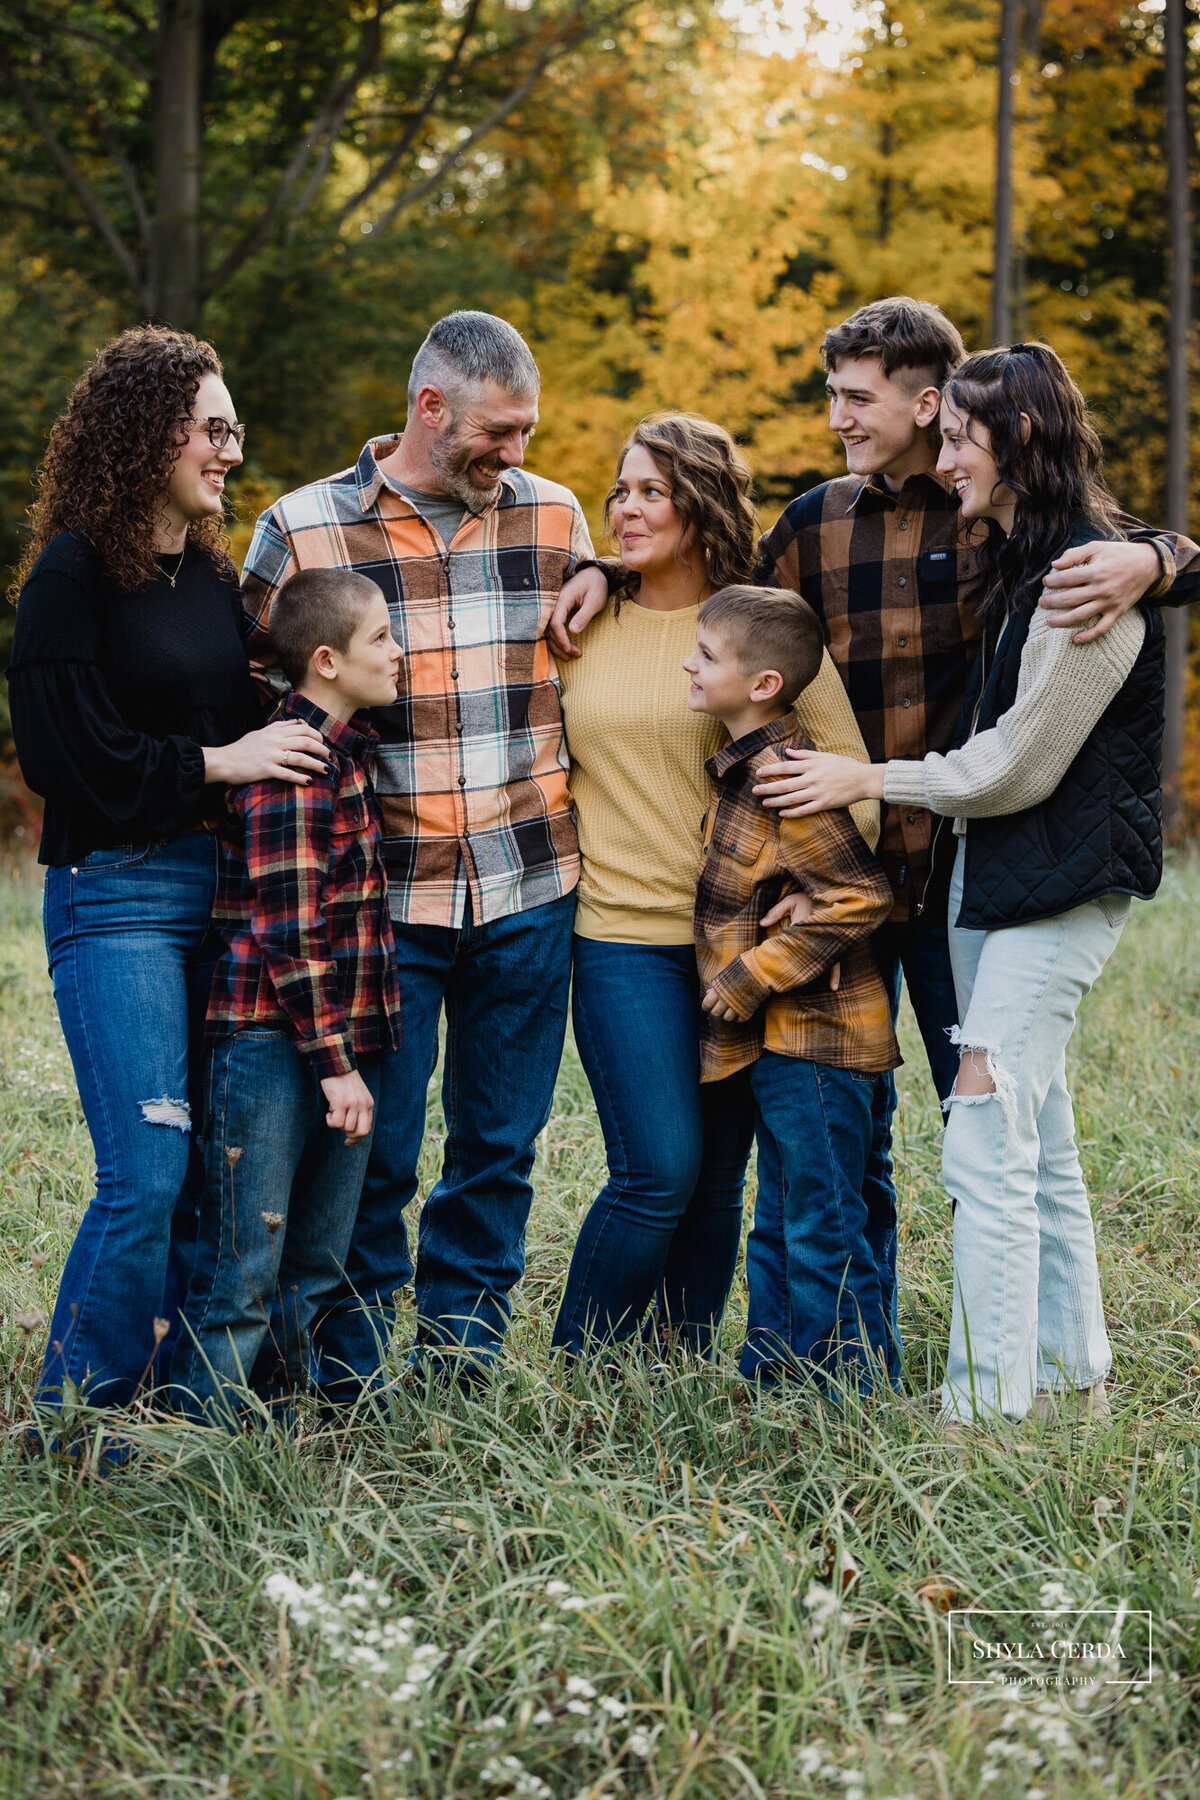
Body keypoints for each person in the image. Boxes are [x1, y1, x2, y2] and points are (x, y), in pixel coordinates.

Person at [780, 342, 1164, 1423]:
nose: (946, 458)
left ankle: (983, 1411)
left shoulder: (1086, 578)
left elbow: (1012, 765)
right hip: (991, 881)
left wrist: (864, 776)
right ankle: (1069, 1374)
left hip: (1062, 883)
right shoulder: (1023, 558)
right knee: (1041, 1140)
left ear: (1020, 439)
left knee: (986, 1132)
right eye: (939, 434)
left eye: (961, 438)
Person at [240, 311, 589, 1390]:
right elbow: (254, 700)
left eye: (530, 432)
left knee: (499, 1149)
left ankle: (463, 1365)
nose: (518, 455)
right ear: (429, 408)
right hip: (381, 902)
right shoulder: (302, 530)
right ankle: (351, 1371)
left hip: (529, 882)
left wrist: (609, 571)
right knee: (375, 1157)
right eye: (501, 430)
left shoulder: (553, 516)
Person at [7, 326, 330, 1423]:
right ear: (148, 434)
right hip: (119, 896)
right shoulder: (69, 577)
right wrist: (218, 761)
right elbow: (66, 758)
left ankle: (176, 1402)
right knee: (145, 1166)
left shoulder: (205, 577)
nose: (232, 450)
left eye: (235, 429)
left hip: (224, 897)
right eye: (213, 428)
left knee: (213, 1171)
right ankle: (72, 1415)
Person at [550, 413, 879, 1359]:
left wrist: (807, 886)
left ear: (698, 505)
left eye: (652, 490)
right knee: (658, 1168)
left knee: (720, 1175)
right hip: (617, 938)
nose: (627, 507)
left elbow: (849, 780)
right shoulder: (584, 615)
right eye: (620, 489)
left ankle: (675, 1363)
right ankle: (583, 1366)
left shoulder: (750, 623)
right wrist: (598, 574)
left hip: (733, 946)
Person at [173, 569, 403, 1425]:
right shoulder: (290, 766)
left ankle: (277, 1443)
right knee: (246, 1266)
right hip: (273, 1043)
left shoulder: (346, 751)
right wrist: (339, 1067)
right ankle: (201, 1456)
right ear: (326, 661)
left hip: (338, 1046)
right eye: (381, 638)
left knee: (315, 1262)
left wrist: (350, 1057)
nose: (397, 652)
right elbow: (290, 932)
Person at [686, 586, 901, 1387]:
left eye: (707, 655)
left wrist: (750, 976)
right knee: (778, 1221)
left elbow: (861, 896)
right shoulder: (741, 770)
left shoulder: (783, 776)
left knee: (823, 1224)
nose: (689, 665)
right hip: (780, 1047)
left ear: (764, 683)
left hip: (820, 1041)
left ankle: (846, 1395)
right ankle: (775, 1380)